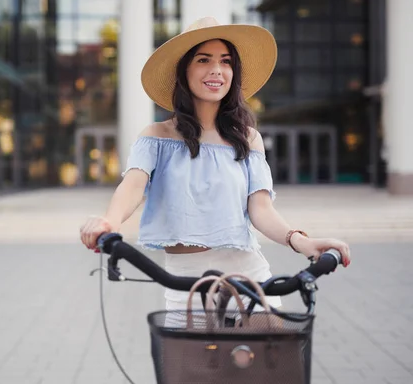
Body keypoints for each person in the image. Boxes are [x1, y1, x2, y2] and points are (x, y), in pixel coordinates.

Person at [79, 16, 351, 313]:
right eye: (203, 60)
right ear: (184, 70)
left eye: (225, 61)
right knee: (188, 359)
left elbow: (260, 209)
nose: (216, 70)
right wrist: (109, 222)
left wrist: (301, 242)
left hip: (247, 271)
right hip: (184, 277)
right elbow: (132, 187)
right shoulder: (157, 136)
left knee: (270, 355)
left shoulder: (248, 139)